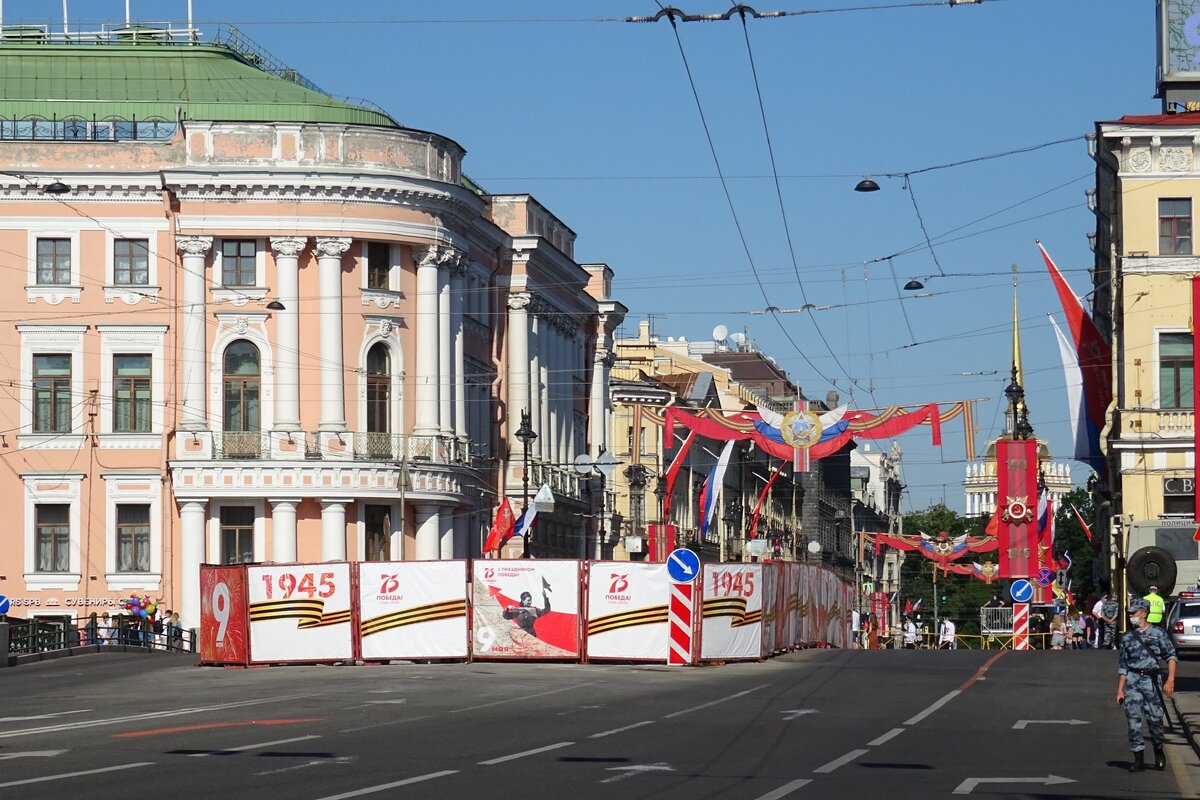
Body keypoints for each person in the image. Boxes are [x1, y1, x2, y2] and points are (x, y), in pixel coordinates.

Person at [1117, 598, 1177, 772]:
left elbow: (1171, 656)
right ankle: (1138, 758)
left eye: (1134, 612)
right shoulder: (1127, 637)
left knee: (1155, 720)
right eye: (1129, 613)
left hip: (1151, 682)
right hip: (1133, 681)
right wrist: (1120, 690)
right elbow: (1123, 666)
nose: (1131, 616)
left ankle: (1158, 751)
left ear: (1144, 613)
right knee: (1133, 720)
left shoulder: (1158, 633)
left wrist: (1170, 679)